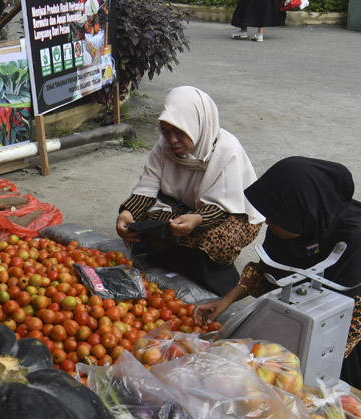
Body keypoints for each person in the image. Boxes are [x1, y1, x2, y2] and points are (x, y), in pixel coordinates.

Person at [194, 157, 361, 388]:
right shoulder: (290, 222)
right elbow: (269, 270)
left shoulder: (354, 240)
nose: (267, 223)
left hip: (342, 335)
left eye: (274, 218)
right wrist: (226, 300)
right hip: (299, 319)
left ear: (301, 211)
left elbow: (349, 318)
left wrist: (303, 366)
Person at [115, 86, 265, 297]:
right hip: (185, 206)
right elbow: (148, 185)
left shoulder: (226, 150)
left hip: (234, 214)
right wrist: (128, 213)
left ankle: (202, 267)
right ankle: (179, 255)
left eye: (179, 132)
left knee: (214, 240)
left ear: (197, 125)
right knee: (146, 221)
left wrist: (197, 219)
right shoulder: (163, 147)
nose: (172, 140)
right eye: (166, 131)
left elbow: (222, 206)